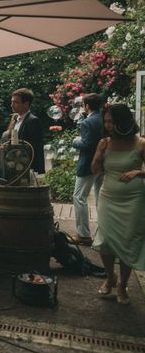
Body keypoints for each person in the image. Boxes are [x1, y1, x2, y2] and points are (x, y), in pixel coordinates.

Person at [91, 104, 145, 305]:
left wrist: (138, 172)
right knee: (105, 240)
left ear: (123, 121)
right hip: (108, 197)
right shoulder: (104, 143)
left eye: (111, 121)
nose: (108, 125)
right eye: (105, 122)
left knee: (127, 241)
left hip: (133, 200)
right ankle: (110, 276)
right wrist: (98, 155)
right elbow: (95, 169)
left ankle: (122, 284)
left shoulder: (141, 144)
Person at [71, 93, 104, 246]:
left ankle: (84, 235)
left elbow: (87, 145)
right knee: (100, 198)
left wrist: (75, 141)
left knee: (79, 197)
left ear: (87, 106)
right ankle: (103, 233)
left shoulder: (87, 122)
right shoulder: (103, 118)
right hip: (103, 163)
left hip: (88, 164)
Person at [8, 88, 45, 173]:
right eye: (12, 102)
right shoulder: (15, 120)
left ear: (26, 104)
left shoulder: (33, 121)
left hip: (28, 169)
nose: (11, 105)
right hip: (15, 168)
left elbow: (35, 149)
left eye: (15, 102)